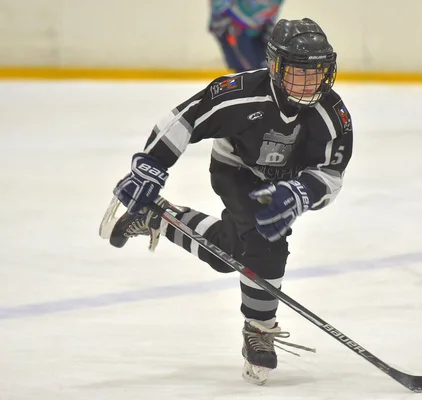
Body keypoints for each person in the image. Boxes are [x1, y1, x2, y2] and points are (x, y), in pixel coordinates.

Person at [99, 18, 353, 385]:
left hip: (286, 183)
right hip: (237, 170)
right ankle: (259, 329)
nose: (307, 83)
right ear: (275, 67)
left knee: (231, 255)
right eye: (297, 72)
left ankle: (163, 219)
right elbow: (185, 119)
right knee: (267, 241)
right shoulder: (240, 93)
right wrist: (151, 165)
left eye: (315, 73)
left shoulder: (332, 115)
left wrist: (301, 192)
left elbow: (331, 172)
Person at [209, 0, 284, 72]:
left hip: (257, 30)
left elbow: (272, 11)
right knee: (245, 67)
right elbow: (221, 7)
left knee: (263, 65)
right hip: (232, 28)